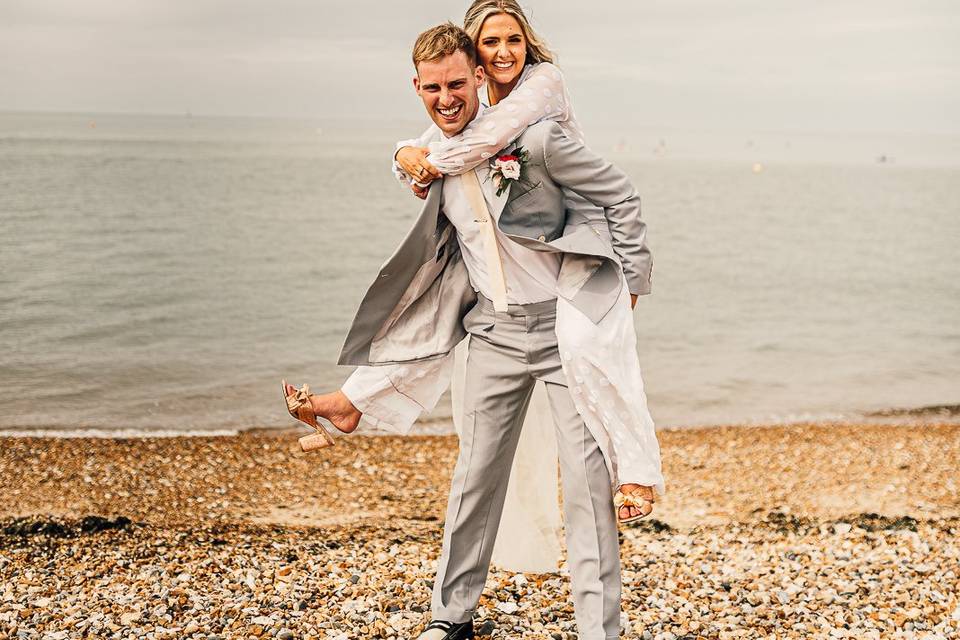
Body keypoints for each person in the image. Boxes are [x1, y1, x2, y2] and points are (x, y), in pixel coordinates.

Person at [284, 22, 654, 640]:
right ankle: (449, 619)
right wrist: (403, 155)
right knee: (474, 478)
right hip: (493, 334)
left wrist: (632, 283)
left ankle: (599, 630)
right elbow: (420, 170)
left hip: (564, 328)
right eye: (433, 88)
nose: (447, 97)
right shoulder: (435, 156)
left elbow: (622, 194)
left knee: (588, 488)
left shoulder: (537, 142)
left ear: (480, 78)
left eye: (458, 82)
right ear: (417, 88)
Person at [392, 0, 663, 528]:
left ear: (527, 42)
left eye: (512, 39)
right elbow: (449, 137)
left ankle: (637, 472)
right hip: (540, 267)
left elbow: (483, 142)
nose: (503, 51)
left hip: (587, 246)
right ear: (473, 55)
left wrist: (633, 275)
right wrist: (404, 152)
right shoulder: (478, 108)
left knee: (597, 357)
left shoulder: (542, 83)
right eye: (490, 42)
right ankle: (354, 404)